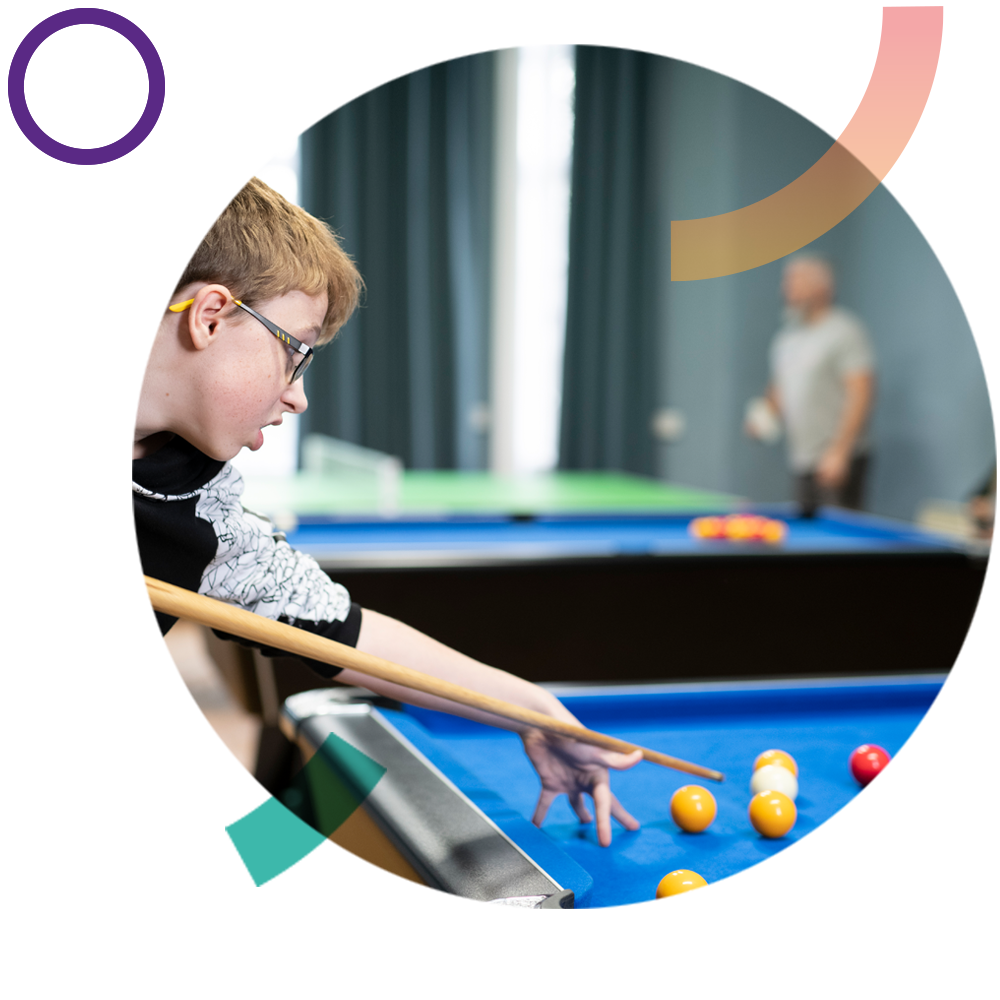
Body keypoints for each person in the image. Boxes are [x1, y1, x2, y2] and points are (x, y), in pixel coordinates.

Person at [134, 164, 640, 847]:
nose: (296, 395)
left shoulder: (198, 502)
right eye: (296, 353)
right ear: (211, 315)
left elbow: (342, 630)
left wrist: (535, 713)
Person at [746, 255, 876, 516]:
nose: (787, 289)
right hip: (801, 460)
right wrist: (763, 416)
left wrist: (840, 451)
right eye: (786, 282)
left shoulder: (844, 331)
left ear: (821, 288)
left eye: (796, 281)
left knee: (840, 547)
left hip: (837, 461)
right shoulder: (786, 338)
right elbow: (779, 389)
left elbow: (861, 391)